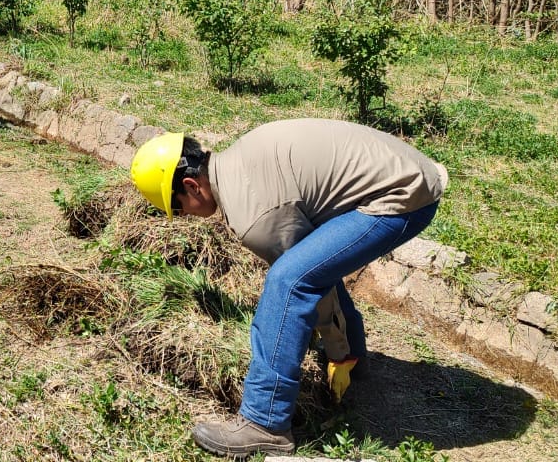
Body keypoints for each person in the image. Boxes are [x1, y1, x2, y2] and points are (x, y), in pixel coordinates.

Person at [130, 120, 448, 458]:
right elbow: (319, 266)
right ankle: (360, 369)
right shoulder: (239, 161)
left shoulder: (254, 214)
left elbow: (307, 286)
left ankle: (265, 423)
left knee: (287, 280)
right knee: (309, 265)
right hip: (403, 171)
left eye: (177, 210)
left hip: (402, 195)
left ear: (193, 186)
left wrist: (339, 354)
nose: (185, 218)